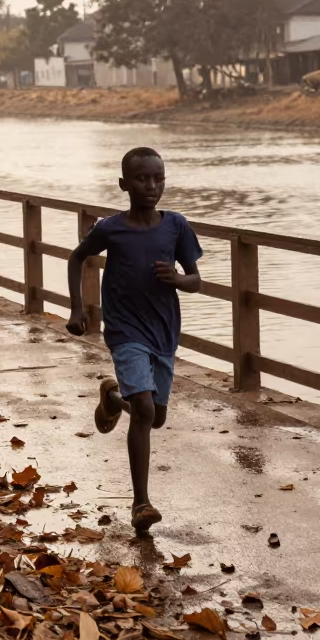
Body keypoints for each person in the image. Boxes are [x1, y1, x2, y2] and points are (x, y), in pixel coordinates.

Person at [66, 147, 203, 535]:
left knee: (154, 417)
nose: (151, 186)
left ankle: (112, 398)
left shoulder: (175, 226)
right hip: (125, 330)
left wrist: (178, 280)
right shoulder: (111, 228)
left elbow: (196, 280)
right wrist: (78, 310)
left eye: (158, 178)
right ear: (124, 184)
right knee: (143, 410)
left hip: (163, 331)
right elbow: (78, 258)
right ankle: (141, 503)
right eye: (142, 179)